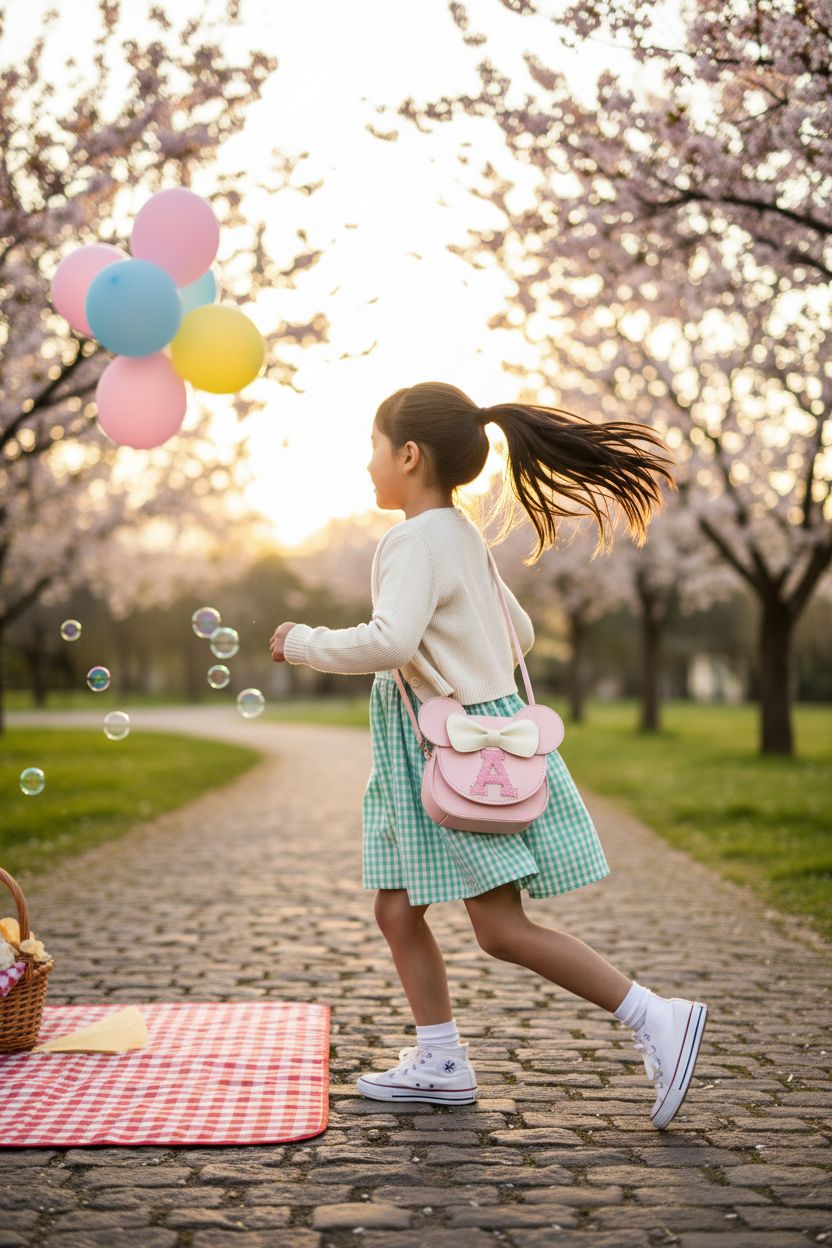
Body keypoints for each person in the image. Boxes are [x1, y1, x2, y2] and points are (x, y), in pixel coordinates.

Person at [269, 381, 708, 1130]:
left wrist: (301, 642)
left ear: (409, 455)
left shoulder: (411, 539)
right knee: (397, 905)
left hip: (454, 746)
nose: (367, 465)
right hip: (459, 733)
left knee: (500, 928)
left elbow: (392, 640)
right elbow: (523, 635)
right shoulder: (461, 535)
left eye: (373, 449)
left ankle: (654, 1016)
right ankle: (440, 1059)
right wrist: (465, 654)